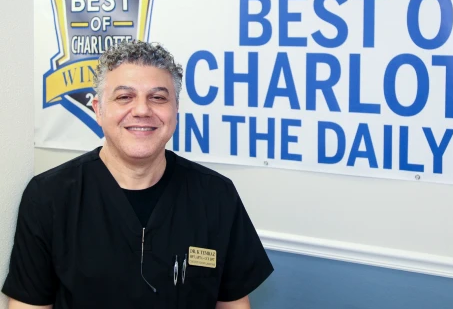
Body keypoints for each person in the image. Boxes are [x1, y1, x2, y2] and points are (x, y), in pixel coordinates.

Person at [2, 41, 273, 308]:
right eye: (124, 97)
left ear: (175, 110)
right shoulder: (49, 197)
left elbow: (233, 303)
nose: (142, 110)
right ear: (98, 109)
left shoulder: (216, 196)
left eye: (158, 97)